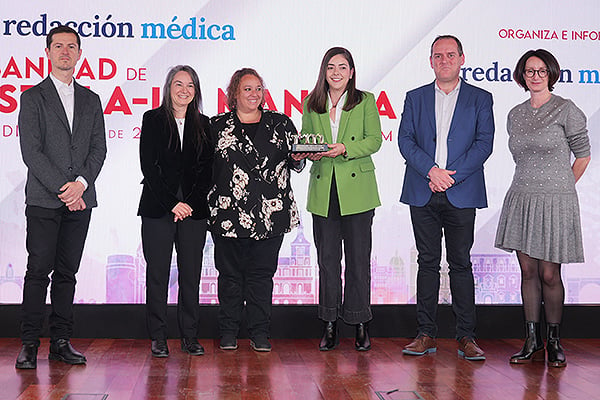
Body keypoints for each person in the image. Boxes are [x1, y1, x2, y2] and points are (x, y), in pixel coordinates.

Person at [397, 35, 494, 361]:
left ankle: (467, 337)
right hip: (423, 190)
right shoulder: (415, 97)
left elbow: (484, 144)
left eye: (450, 55)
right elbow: (405, 141)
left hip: (461, 191)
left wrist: (451, 176)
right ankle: (425, 334)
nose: (444, 60)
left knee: (461, 265)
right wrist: (432, 172)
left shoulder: (481, 98)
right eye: (438, 56)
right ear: (431, 61)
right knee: (426, 263)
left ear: (462, 59)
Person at [15, 25, 107, 369]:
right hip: (43, 199)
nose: (65, 52)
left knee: (68, 273)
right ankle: (28, 345)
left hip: (81, 200)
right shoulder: (32, 97)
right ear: (48, 53)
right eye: (58, 46)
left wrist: (80, 184)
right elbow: (32, 153)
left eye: (71, 46)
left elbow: (99, 148)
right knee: (38, 272)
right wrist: (65, 189)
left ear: (80, 54)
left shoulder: (92, 99)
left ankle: (61, 342)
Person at [495, 49, 590, 368]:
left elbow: (583, 156)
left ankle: (554, 341)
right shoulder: (514, 113)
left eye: (541, 71)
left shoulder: (566, 109)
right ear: (522, 75)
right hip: (521, 197)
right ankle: (531, 340)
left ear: (551, 73)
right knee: (527, 271)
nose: (535, 76)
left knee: (550, 273)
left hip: (556, 200)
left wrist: (562, 187)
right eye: (529, 71)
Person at [208, 68, 303, 352]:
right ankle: (228, 332)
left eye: (258, 88)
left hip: (271, 216)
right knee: (230, 277)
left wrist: (298, 158)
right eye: (247, 88)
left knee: (262, 276)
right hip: (227, 214)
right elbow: (204, 170)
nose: (254, 94)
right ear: (234, 93)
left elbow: (296, 163)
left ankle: (260, 333)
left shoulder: (281, 123)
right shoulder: (216, 126)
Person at [296, 47, 382, 352]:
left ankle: (360, 323)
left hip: (357, 191)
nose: (336, 72)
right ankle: (329, 323)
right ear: (324, 71)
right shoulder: (311, 102)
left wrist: (345, 147)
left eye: (342, 67)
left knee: (359, 261)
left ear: (352, 72)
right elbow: (307, 138)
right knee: (328, 261)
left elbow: (375, 140)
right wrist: (306, 150)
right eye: (331, 67)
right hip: (323, 190)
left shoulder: (366, 100)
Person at [138, 65, 212, 358]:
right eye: (178, 84)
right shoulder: (153, 119)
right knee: (157, 273)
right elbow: (149, 167)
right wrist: (172, 203)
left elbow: (207, 170)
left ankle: (189, 336)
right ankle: (158, 336)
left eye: (190, 85)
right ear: (168, 88)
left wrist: (189, 203)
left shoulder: (204, 124)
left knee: (191, 274)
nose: (184, 90)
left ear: (196, 91)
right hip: (158, 206)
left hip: (193, 209)